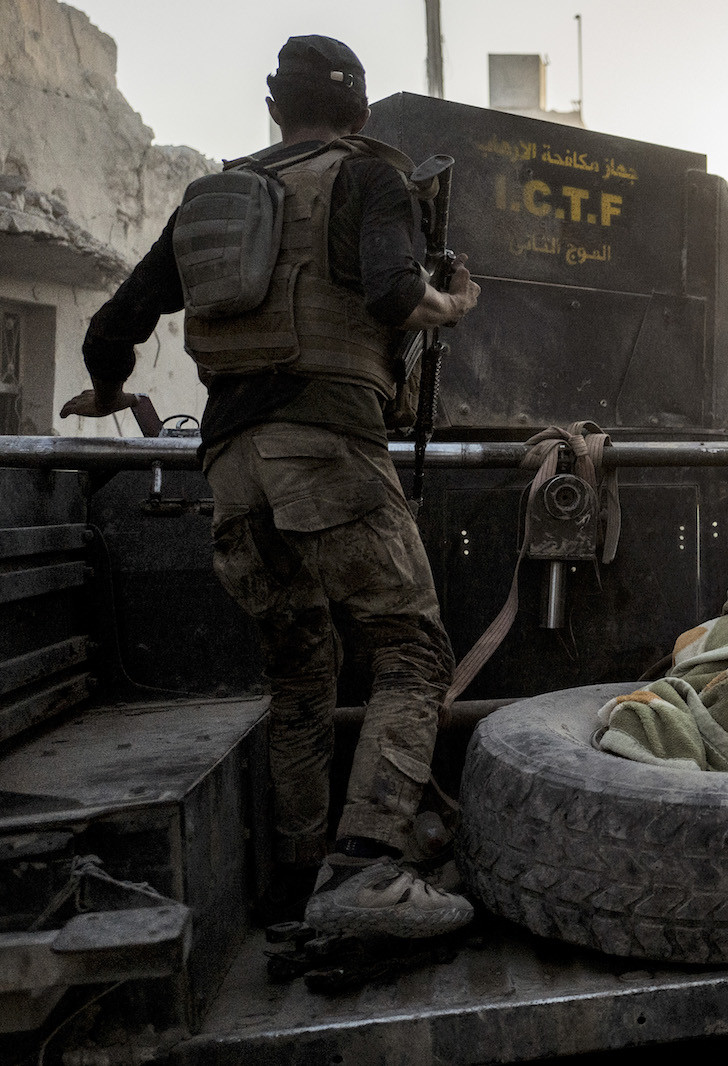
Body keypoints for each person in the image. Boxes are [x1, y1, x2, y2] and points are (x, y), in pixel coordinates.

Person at [62, 35, 481, 939]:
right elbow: (388, 294)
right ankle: (368, 871)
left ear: (270, 108)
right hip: (325, 448)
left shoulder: (217, 195)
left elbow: (113, 324)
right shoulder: (371, 175)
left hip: (232, 466)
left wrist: (106, 390)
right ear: (361, 111)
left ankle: (299, 881)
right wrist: (450, 305)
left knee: (298, 674)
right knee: (413, 654)